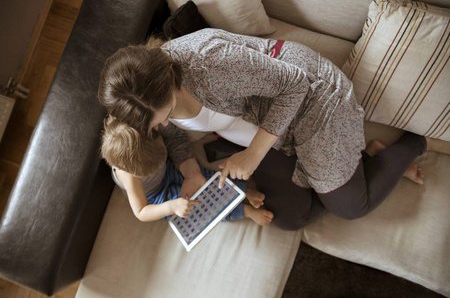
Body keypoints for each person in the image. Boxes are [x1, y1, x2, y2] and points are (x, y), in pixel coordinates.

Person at [98, 28, 449, 230]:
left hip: (311, 101)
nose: (159, 127)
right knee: (288, 217)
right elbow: (169, 131)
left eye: (162, 117)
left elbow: (295, 85)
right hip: (263, 131)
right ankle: (359, 160)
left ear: (171, 85)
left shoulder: (211, 63)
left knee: (350, 207)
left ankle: (416, 143)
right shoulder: (143, 103)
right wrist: (190, 171)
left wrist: (252, 155)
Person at [100, 115, 273, 225]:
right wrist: (171, 207)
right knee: (196, 207)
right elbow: (141, 212)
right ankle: (243, 211)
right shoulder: (128, 175)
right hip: (157, 196)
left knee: (203, 177)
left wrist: (187, 171)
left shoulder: (145, 123)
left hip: (169, 170)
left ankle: (242, 191)